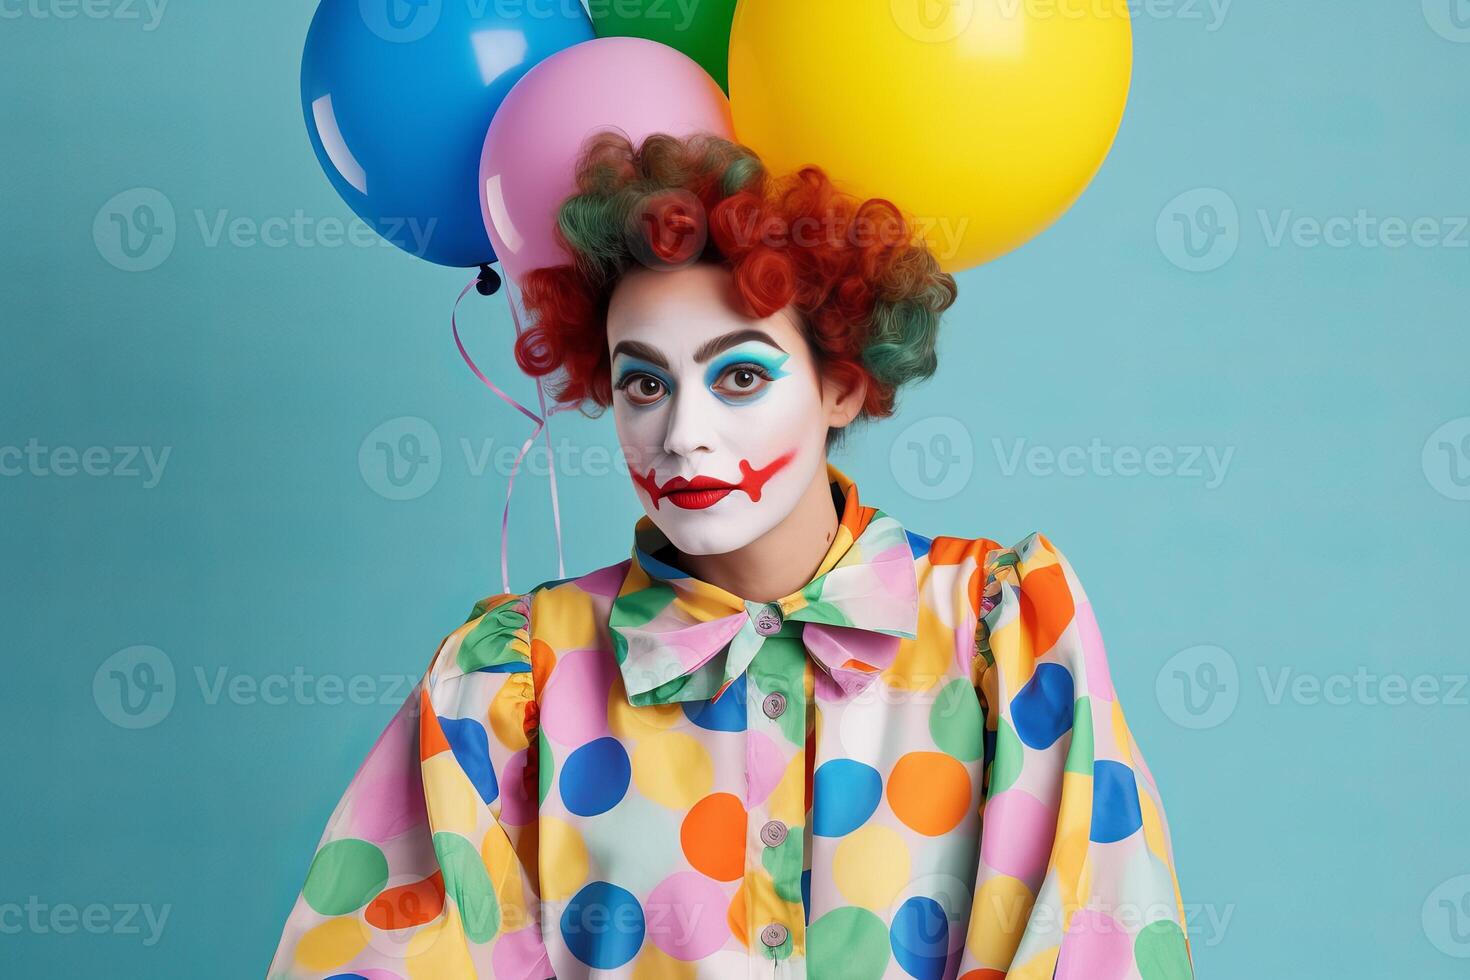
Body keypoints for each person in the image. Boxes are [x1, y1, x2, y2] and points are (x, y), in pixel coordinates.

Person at [268, 132, 1194, 980]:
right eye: (643, 383)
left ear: (842, 385)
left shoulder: (1002, 635)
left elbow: (1098, 939)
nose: (682, 435)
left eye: (740, 376)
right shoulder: (511, 679)